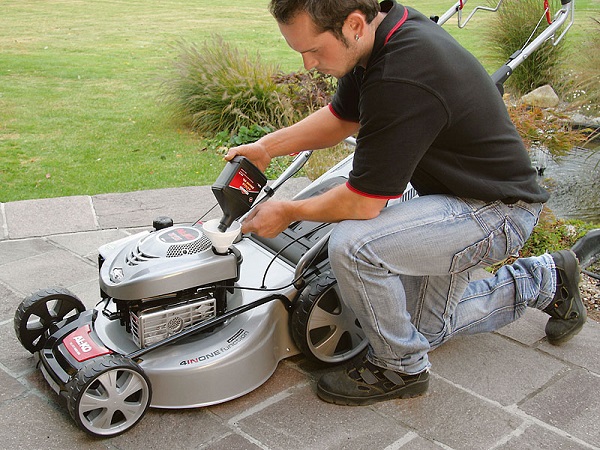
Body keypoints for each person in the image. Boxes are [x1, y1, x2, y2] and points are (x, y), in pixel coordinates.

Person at [225, 0, 586, 406]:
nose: (309, 64)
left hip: (495, 213)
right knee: (423, 330)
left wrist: (289, 212)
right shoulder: (381, 37)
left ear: (354, 24)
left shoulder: (403, 73)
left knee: (354, 245)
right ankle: (547, 279)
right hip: (453, 200)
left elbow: (363, 204)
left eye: (313, 50)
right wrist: (266, 147)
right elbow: (343, 118)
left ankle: (400, 368)